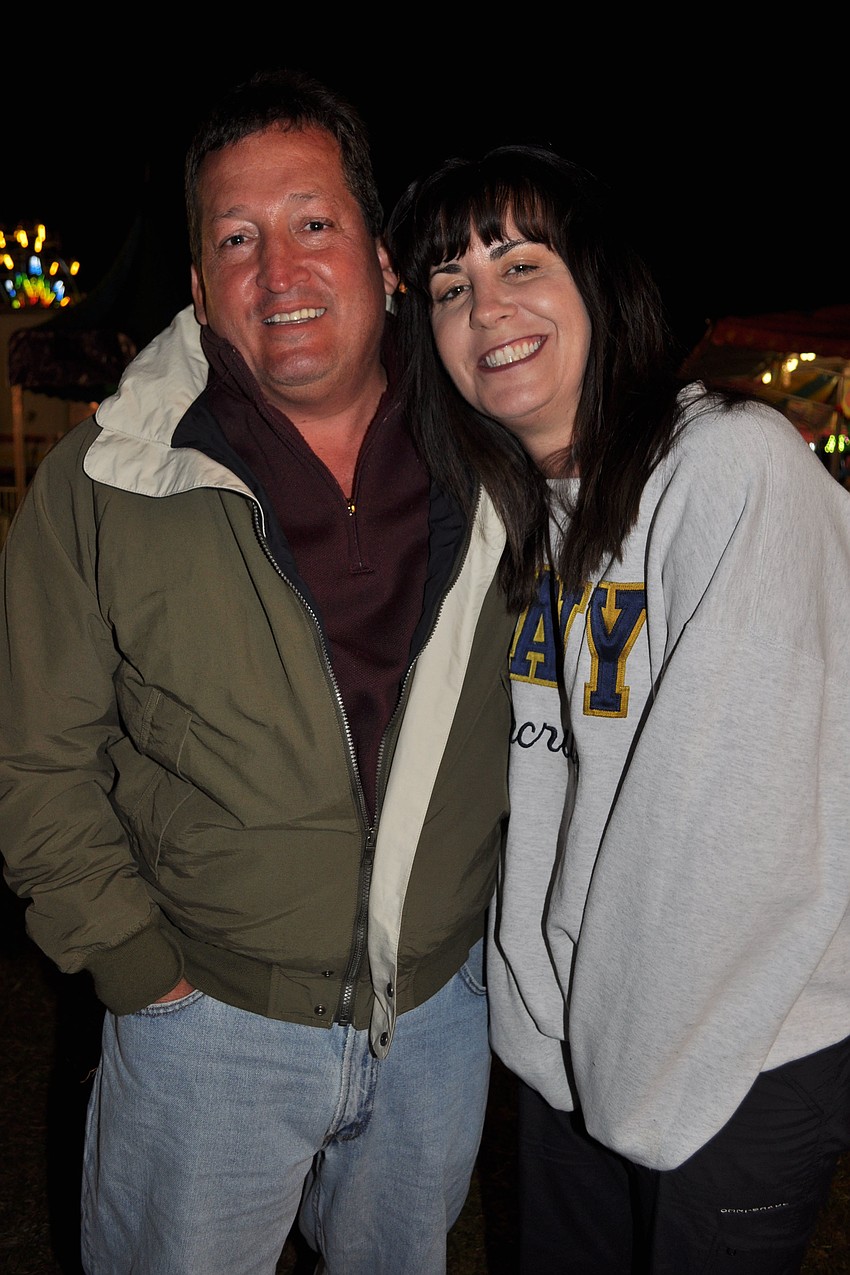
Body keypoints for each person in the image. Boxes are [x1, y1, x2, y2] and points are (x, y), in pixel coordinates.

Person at [0, 71, 517, 1275]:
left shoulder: (496, 453)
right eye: (236, 238)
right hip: (204, 1030)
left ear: (383, 257)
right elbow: (34, 759)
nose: (278, 272)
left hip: (437, 1021)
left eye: (312, 222)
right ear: (198, 284)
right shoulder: (103, 482)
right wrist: (134, 964)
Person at [386, 144, 850, 1273]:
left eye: (520, 264)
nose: (485, 308)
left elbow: (738, 830)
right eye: (449, 287)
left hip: (739, 1047)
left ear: (597, 280)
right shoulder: (514, 520)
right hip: (569, 1044)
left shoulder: (728, 467)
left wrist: (631, 1059)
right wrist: (551, 1024)